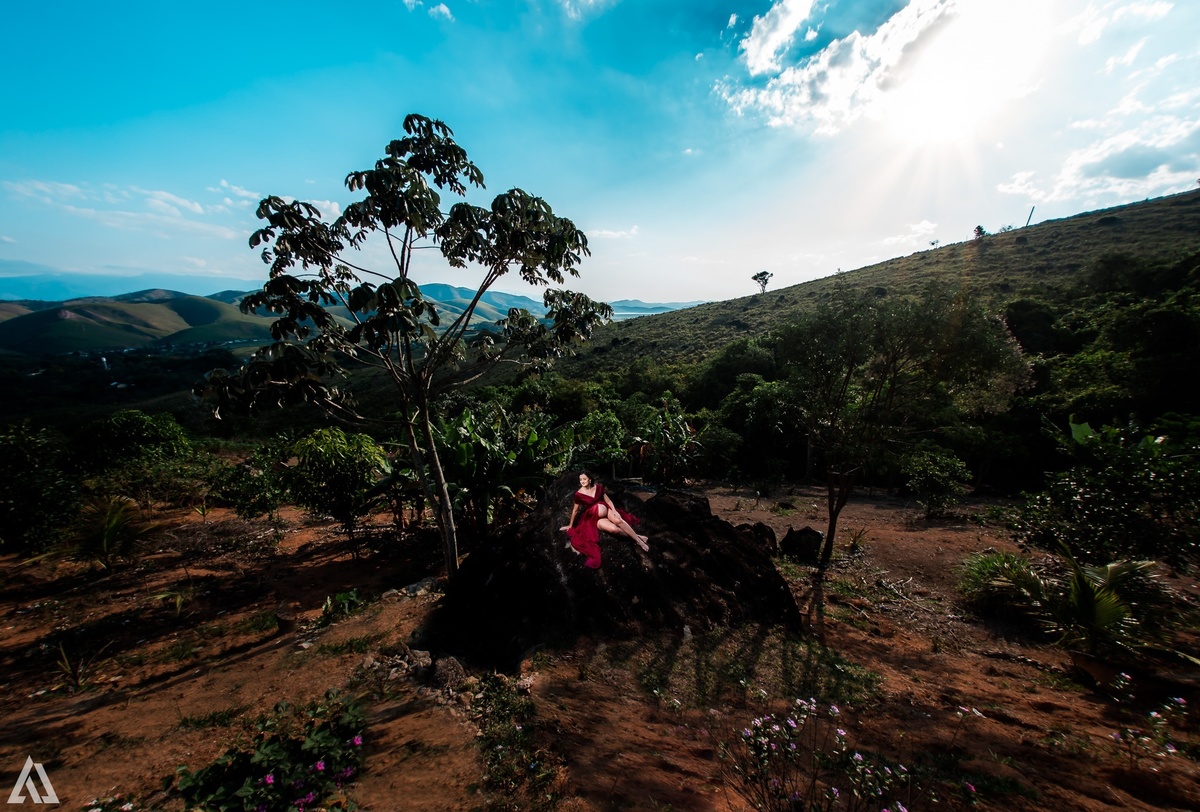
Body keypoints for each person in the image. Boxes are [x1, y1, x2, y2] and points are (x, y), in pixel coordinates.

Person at [560, 471, 649, 568]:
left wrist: (614, 511)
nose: (582, 481)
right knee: (614, 530)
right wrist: (570, 525)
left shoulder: (598, 487)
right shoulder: (579, 494)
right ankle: (637, 536)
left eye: (584, 479)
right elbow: (575, 510)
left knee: (618, 520)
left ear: (589, 480)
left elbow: (608, 501)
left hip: (607, 510)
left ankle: (639, 541)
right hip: (594, 519)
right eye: (580, 479)